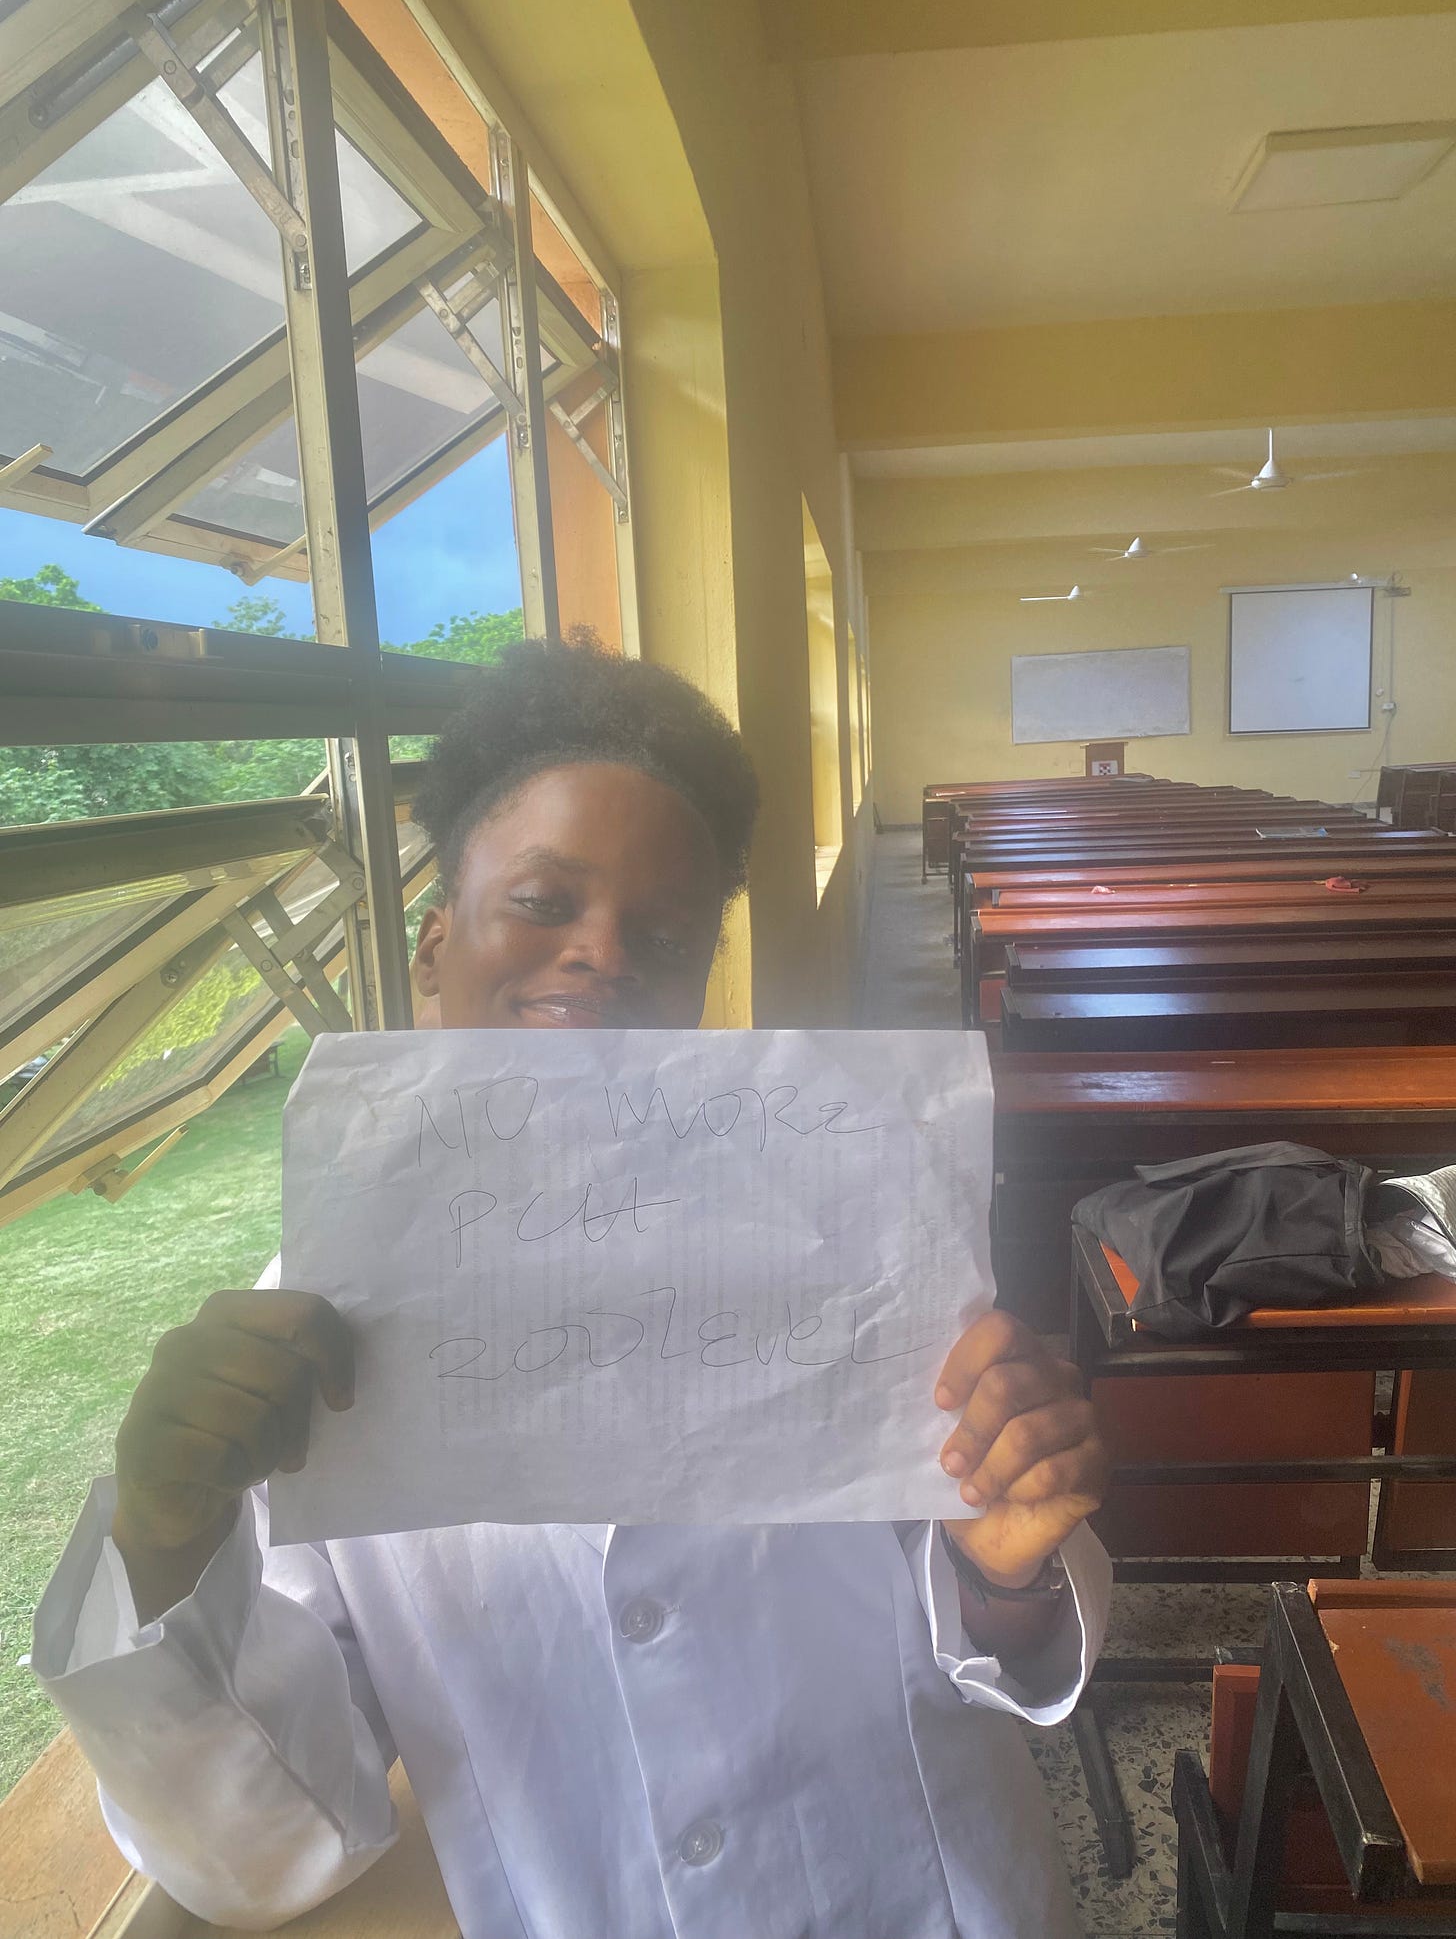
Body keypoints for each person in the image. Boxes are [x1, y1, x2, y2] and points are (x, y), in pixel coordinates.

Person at [33, 640, 1110, 1938]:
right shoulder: (306, 1338)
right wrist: (164, 1544)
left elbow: (989, 1594)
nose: (601, 954)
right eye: (543, 901)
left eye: (664, 935)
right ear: (436, 943)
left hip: (926, 1889)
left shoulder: (855, 1216)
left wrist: (1005, 1571)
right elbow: (268, 1850)